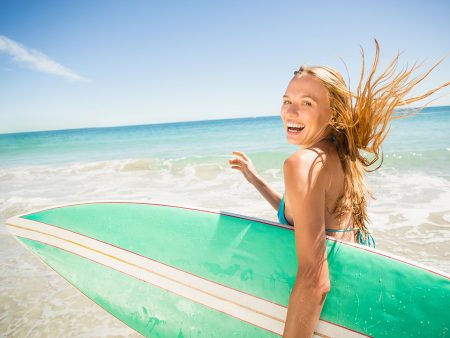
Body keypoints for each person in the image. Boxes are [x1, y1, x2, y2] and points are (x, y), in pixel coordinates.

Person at [228, 39, 449, 337]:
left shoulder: (302, 163)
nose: (290, 112)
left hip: (327, 312)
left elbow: (315, 280)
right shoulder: (343, 156)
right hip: (361, 296)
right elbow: (305, 214)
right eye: (286, 100)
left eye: (306, 103)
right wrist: (255, 179)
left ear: (332, 114)